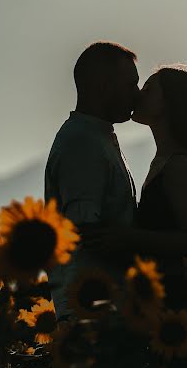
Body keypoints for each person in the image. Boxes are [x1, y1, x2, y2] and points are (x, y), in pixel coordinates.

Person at [86, 64, 187, 332]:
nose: (138, 95)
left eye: (148, 89)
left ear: (169, 103)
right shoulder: (165, 160)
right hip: (175, 305)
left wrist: (127, 237)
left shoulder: (179, 165)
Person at [44, 41, 140, 321]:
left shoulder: (97, 136)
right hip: (93, 315)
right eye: (130, 85)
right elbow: (87, 234)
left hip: (105, 310)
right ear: (103, 86)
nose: (136, 95)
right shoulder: (82, 143)